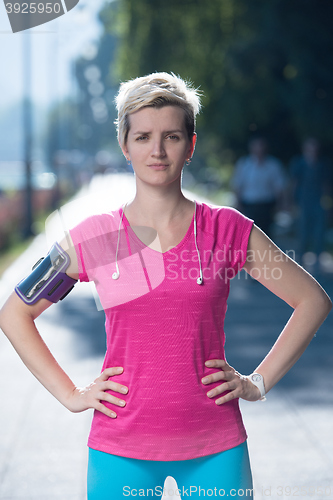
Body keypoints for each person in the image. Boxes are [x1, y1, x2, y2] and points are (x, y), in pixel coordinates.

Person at [0, 73, 331, 500]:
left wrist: (258, 382)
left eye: (171, 136)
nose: (156, 150)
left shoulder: (227, 230)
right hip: (120, 449)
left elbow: (312, 300)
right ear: (125, 145)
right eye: (142, 137)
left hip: (216, 447)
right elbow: (14, 312)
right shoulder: (93, 240)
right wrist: (71, 395)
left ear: (190, 145)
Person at [231, 136, 286, 237]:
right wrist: (238, 203)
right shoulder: (244, 165)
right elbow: (238, 185)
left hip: (267, 205)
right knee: (249, 233)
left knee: (266, 234)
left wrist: (280, 203)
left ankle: (264, 252)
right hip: (249, 204)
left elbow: (279, 187)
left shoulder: (273, 165)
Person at [290, 137, 332, 267]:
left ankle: (318, 262)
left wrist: (328, 203)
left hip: (318, 202)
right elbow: (294, 184)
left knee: (319, 232)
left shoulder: (322, 164)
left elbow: (326, 185)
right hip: (303, 202)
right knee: (303, 232)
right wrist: (292, 202)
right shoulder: (299, 164)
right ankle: (300, 261)